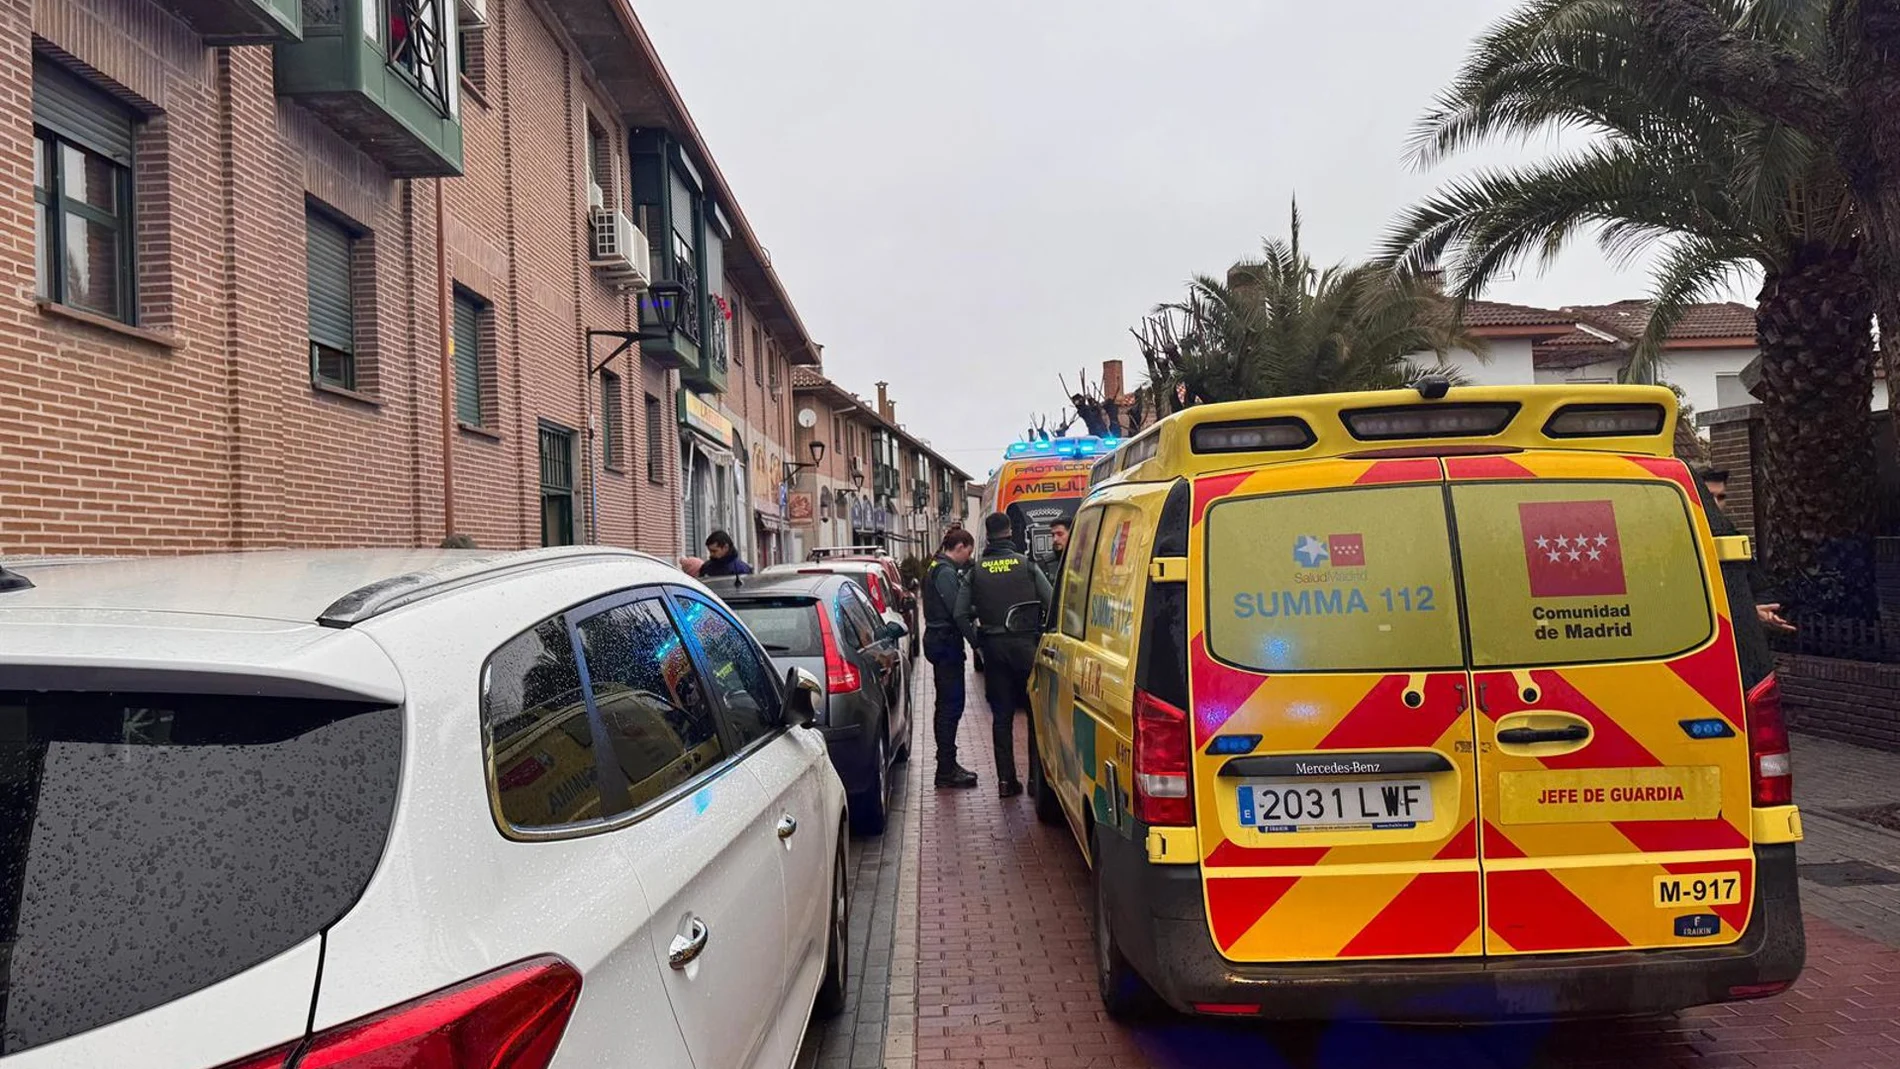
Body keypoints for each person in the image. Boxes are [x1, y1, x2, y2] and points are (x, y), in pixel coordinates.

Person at [956, 512, 1054, 798]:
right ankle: (1036, 780)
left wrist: (977, 642)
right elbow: (1051, 601)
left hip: (994, 650)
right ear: (1010, 531)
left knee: (1002, 717)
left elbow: (959, 614)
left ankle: (1006, 782)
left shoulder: (976, 571)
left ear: (987, 536)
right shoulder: (1027, 565)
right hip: (1026, 648)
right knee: (1035, 714)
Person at [1700, 469, 1796, 635]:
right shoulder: (1678, 540)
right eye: (1709, 497)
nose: (1715, 504)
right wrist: (1748, 613)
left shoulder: (1731, 537)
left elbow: (1760, 587)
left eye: (1721, 497)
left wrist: (1762, 611)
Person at [923, 529, 979, 789]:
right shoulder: (945, 572)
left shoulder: (937, 566)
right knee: (950, 707)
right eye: (968, 551)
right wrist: (976, 639)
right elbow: (958, 609)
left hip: (939, 642)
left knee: (946, 706)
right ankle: (946, 769)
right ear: (960, 547)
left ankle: (947, 765)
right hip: (945, 645)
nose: (969, 557)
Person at [1038, 518, 1072, 586]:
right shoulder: (1045, 564)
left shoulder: (1085, 561)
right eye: (1053, 535)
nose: (1055, 539)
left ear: (1072, 534)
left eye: (1060, 534)